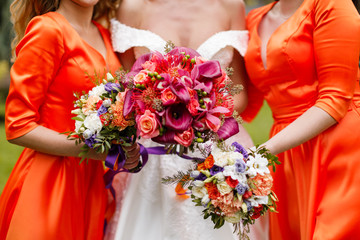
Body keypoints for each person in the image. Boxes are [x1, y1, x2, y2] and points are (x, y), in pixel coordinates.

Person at [104, 0, 268, 240]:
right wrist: (161, 108)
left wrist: (200, 108)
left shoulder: (231, 5)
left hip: (217, 149)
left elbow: (240, 94)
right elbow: (127, 90)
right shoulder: (133, 7)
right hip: (153, 152)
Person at [0, 0, 141, 239]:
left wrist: (125, 144)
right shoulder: (48, 29)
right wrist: (91, 150)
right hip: (49, 180)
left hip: (92, 184)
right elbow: (18, 126)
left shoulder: (105, 35)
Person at [242, 0, 360, 239]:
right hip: (287, 156)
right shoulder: (254, 18)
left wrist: (262, 153)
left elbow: (335, 100)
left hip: (339, 146)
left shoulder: (330, 5)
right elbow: (246, 104)